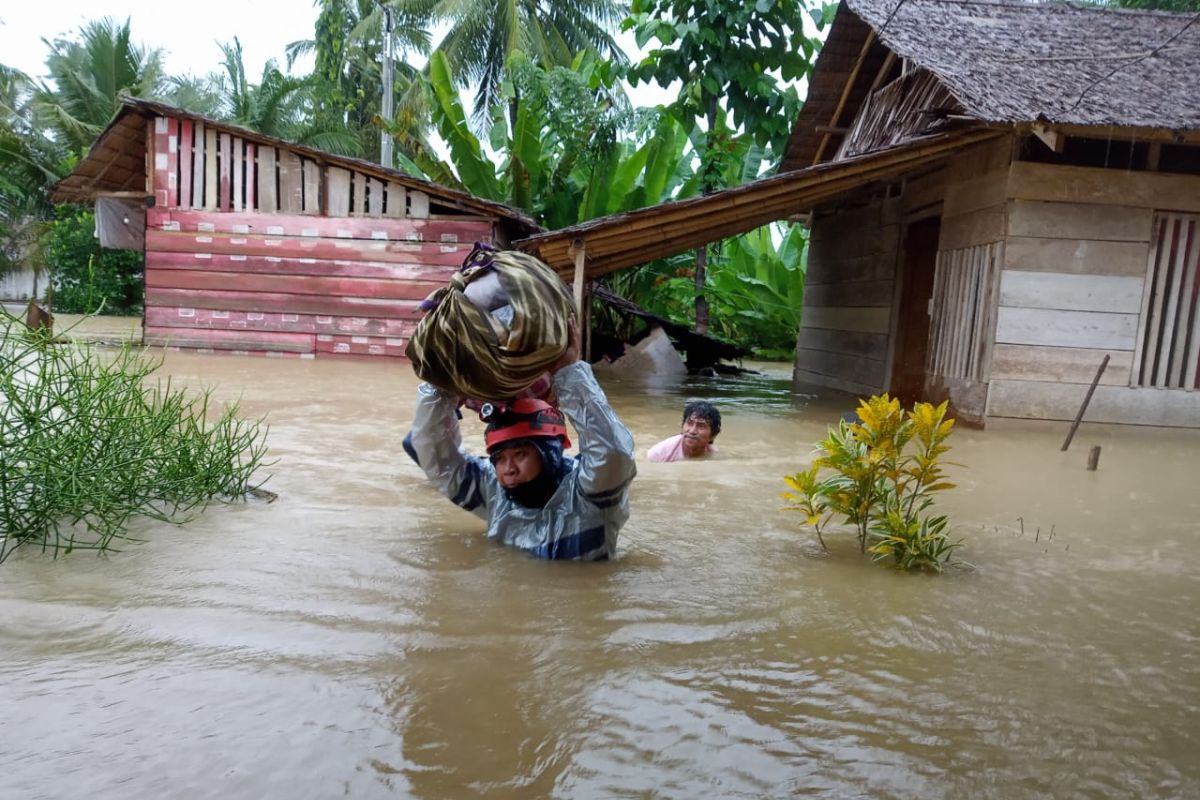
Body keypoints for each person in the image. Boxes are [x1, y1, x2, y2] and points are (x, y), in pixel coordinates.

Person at [403, 325, 636, 561]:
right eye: (499, 459)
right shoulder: (495, 490)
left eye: (521, 454)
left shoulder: (589, 494)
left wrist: (569, 371)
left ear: (550, 453)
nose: (508, 469)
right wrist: (442, 388)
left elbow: (613, 451)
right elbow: (434, 456)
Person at [647, 401, 721, 463]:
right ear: (682, 426)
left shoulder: (713, 455)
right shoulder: (657, 454)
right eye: (689, 423)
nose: (692, 431)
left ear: (713, 435)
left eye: (701, 426)